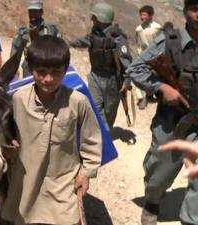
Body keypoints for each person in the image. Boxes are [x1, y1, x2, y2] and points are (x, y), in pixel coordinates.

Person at [2, 35, 102, 225]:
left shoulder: (77, 102)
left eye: (56, 72)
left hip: (63, 182)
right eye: (41, 72)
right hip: (25, 183)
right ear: (31, 70)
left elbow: (92, 140)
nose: (48, 79)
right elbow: (5, 134)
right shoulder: (18, 99)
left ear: (66, 70)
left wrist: (86, 173)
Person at [126, 0, 198, 224]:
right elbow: (135, 69)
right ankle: (153, 201)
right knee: (159, 174)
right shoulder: (169, 41)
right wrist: (161, 87)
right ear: (186, 11)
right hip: (172, 120)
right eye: (195, 7)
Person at [70, 2, 132, 130]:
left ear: (101, 18)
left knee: (109, 113)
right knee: (95, 108)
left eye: (94, 17)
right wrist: (69, 43)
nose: (92, 19)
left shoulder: (118, 39)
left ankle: (104, 135)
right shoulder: (94, 33)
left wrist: (127, 81)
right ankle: (100, 138)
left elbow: (127, 63)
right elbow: (84, 41)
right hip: (95, 77)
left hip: (112, 81)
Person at [10, 0, 61, 78]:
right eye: (30, 11)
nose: (32, 14)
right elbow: (15, 51)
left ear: (41, 12)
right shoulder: (23, 31)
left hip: (48, 67)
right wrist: (13, 69)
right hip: (29, 68)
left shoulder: (51, 29)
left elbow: (59, 48)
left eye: (35, 12)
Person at [134, 5, 162, 109]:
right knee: (136, 74)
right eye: (141, 15)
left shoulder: (157, 28)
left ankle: (149, 96)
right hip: (143, 56)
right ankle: (140, 98)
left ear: (151, 16)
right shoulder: (138, 29)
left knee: (154, 77)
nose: (142, 17)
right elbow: (138, 44)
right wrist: (139, 55)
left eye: (144, 15)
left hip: (155, 56)